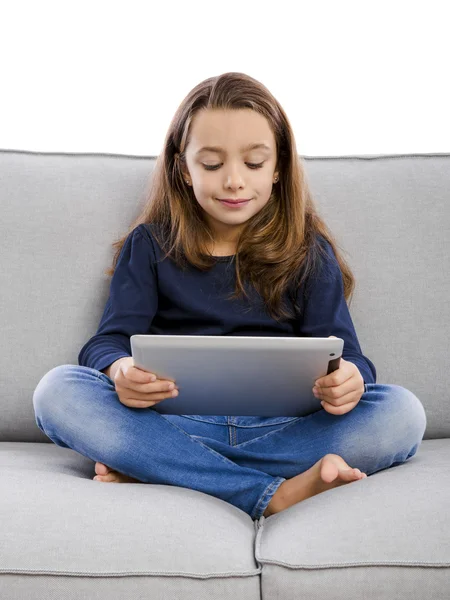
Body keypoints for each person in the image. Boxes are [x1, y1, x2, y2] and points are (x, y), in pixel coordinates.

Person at [32, 72, 427, 520]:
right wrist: (120, 367)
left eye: (254, 164)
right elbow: (107, 341)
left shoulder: (307, 249)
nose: (234, 182)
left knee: (401, 413)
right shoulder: (151, 244)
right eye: (213, 164)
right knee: (58, 391)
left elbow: (349, 356)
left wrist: (351, 379)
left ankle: (163, 470)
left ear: (279, 167)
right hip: (171, 425)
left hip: (285, 429)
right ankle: (271, 493)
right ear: (184, 169)